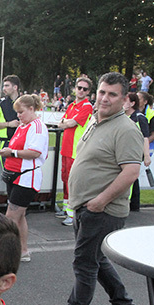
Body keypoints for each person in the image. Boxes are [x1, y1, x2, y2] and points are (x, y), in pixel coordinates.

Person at [46, 72, 143, 305]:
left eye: (112, 94)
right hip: (86, 207)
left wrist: (100, 201)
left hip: (102, 210)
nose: (105, 98)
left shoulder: (126, 129)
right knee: (95, 259)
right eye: (102, 92)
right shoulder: (95, 120)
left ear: (124, 99)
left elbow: (131, 172)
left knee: (84, 263)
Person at [0, 94, 48, 262]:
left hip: (26, 177)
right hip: (15, 175)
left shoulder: (38, 127)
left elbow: (35, 152)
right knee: (19, 217)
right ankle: (23, 251)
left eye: (21, 112)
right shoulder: (23, 126)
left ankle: (5, 253)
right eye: (17, 112)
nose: (18, 115)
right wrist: (9, 152)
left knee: (10, 217)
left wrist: (11, 152)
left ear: (32, 109)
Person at [56, 77, 93, 226]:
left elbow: (69, 123)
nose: (81, 91)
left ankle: (73, 214)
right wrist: (66, 123)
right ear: (75, 89)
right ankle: (66, 209)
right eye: (79, 88)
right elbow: (61, 124)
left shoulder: (87, 106)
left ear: (88, 91)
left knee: (73, 182)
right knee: (65, 179)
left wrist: (66, 123)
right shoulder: (72, 105)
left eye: (85, 89)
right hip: (66, 149)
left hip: (76, 151)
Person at [124, 92, 151, 212]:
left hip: (133, 154)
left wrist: (147, 155)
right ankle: (132, 204)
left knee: (129, 178)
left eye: (125, 101)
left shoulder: (140, 118)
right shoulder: (122, 117)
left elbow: (145, 138)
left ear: (132, 103)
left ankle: (127, 203)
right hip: (122, 152)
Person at [0, 75, 21, 158]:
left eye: (7, 86)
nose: (4, 88)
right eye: (4, 86)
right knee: (7, 166)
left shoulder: (25, 102)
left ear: (15, 87)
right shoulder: (0, 103)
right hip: (5, 143)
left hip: (23, 142)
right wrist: (9, 124)